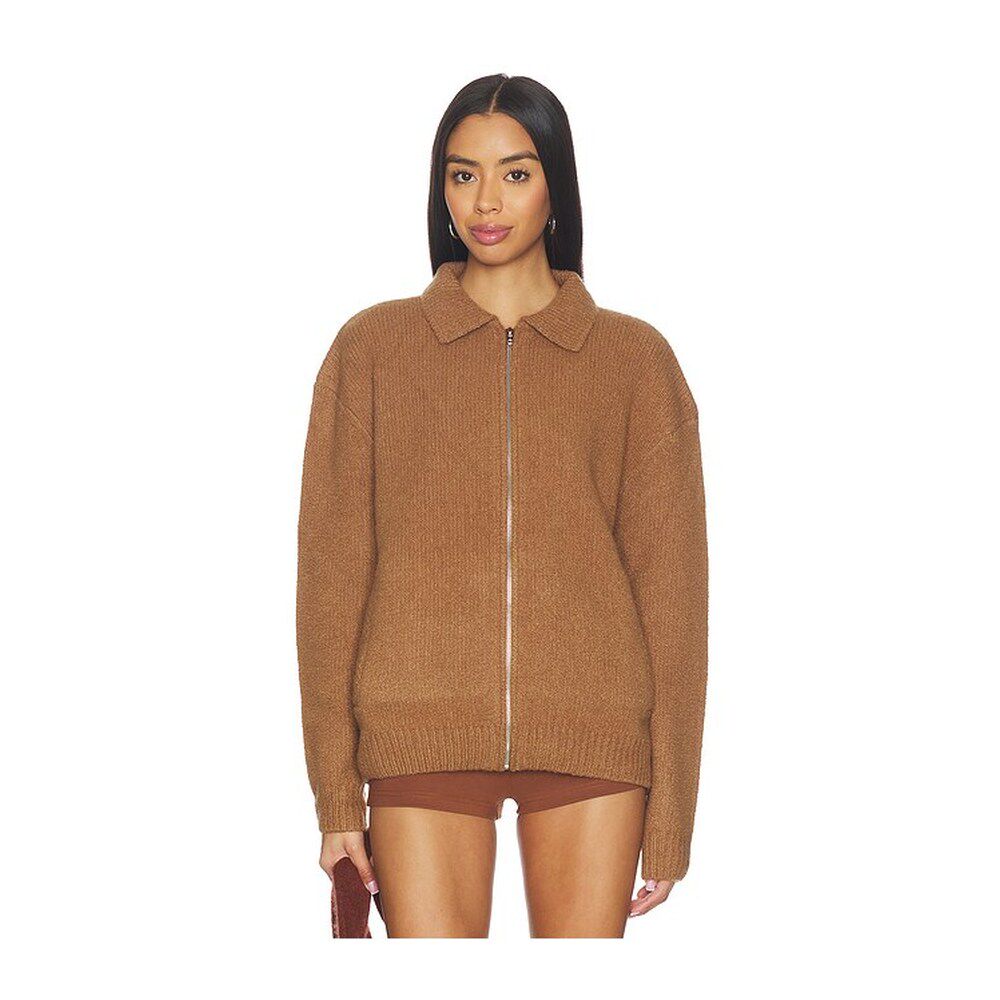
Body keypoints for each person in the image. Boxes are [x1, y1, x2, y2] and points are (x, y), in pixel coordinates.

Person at [296, 73, 709, 938]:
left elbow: (674, 601)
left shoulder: (634, 361)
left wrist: (671, 815)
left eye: (516, 173)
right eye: (463, 174)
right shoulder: (372, 350)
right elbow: (329, 586)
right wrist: (336, 796)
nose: (485, 200)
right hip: (416, 732)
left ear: (556, 185)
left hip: (595, 734)